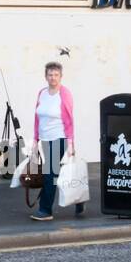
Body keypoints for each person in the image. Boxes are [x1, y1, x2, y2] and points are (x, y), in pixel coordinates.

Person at [28, 61, 84, 221]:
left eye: (56, 75)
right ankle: (79, 199)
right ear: (45, 76)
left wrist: (71, 143)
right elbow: (37, 118)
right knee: (53, 174)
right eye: (50, 75)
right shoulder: (42, 93)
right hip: (45, 138)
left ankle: (45, 210)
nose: (53, 78)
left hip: (59, 137)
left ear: (61, 76)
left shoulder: (64, 94)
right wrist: (35, 139)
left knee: (50, 172)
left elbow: (69, 120)